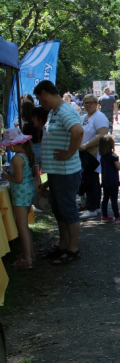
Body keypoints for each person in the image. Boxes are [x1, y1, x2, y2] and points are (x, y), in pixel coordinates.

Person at [33, 80, 84, 265]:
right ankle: (63, 245)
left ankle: (73, 249)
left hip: (65, 172)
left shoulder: (65, 110)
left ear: (45, 93)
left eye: (39, 98)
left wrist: (70, 153)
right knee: (59, 210)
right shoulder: (55, 112)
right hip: (57, 173)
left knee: (68, 210)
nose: (39, 103)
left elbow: (78, 131)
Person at [0, 129, 36, 268]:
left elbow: (18, 179)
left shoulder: (16, 158)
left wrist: (6, 176)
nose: (6, 147)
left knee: (21, 226)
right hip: (26, 193)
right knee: (24, 226)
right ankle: (30, 254)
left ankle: (27, 259)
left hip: (21, 194)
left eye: (8, 144)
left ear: (13, 144)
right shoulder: (25, 155)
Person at [78, 93, 109, 220]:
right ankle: (94, 206)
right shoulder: (84, 117)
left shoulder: (99, 117)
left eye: (91, 102)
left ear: (97, 104)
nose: (88, 105)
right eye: (86, 102)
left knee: (91, 180)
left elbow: (102, 135)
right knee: (91, 180)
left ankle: (91, 208)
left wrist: (86, 145)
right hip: (84, 152)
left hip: (92, 153)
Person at [97, 135, 120, 223]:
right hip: (113, 180)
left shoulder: (102, 155)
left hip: (105, 179)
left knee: (105, 198)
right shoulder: (113, 155)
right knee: (114, 199)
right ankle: (117, 217)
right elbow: (119, 167)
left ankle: (105, 216)